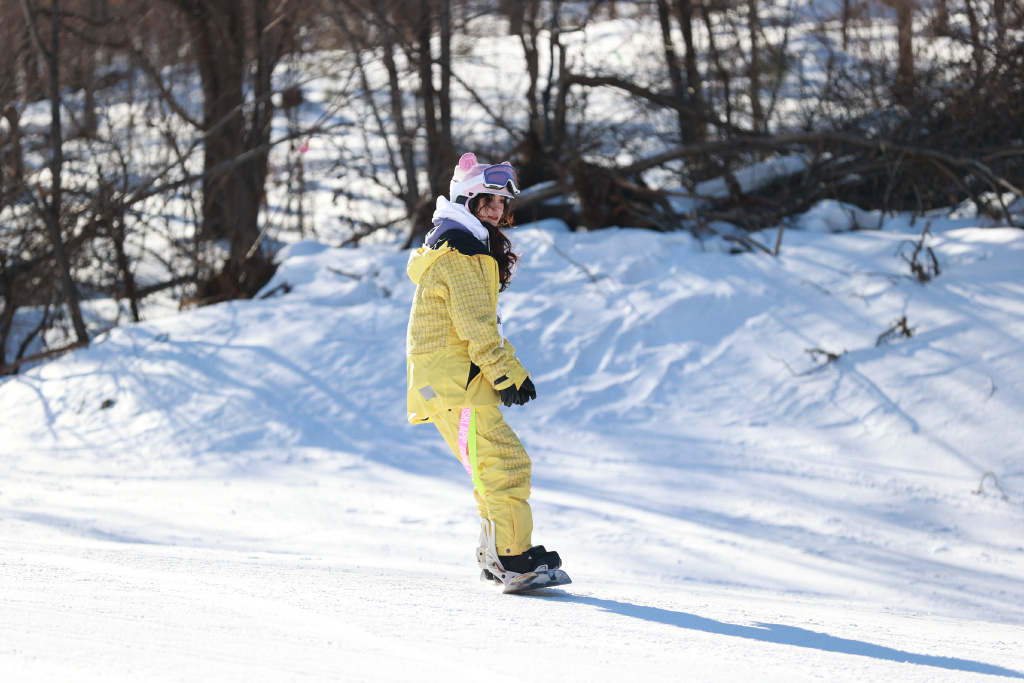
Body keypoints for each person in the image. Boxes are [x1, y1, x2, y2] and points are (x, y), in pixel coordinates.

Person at [405, 152, 562, 582]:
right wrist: (506, 373)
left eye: (501, 204)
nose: (496, 211)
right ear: (467, 199)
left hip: (452, 378)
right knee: (504, 463)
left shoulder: (459, 243)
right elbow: (475, 324)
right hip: (455, 380)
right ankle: (513, 558)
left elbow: (477, 322)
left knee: (493, 465)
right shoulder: (461, 251)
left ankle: (498, 555)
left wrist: (506, 370)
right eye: (487, 201)